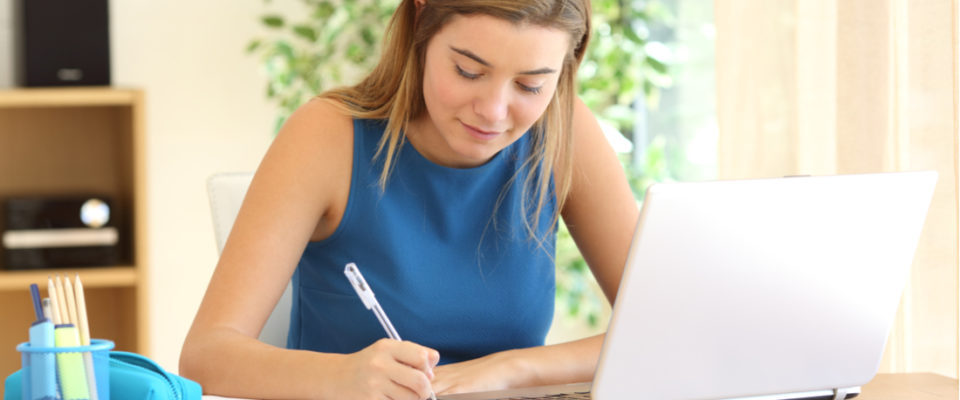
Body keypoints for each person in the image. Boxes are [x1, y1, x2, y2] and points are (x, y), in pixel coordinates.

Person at [179, 0, 639, 399]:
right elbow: (207, 355)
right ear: (421, 20)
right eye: (468, 71)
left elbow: (665, 329)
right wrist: (346, 377)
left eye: (530, 85)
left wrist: (507, 370)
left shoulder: (565, 130)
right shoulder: (327, 137)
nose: (494, 111)